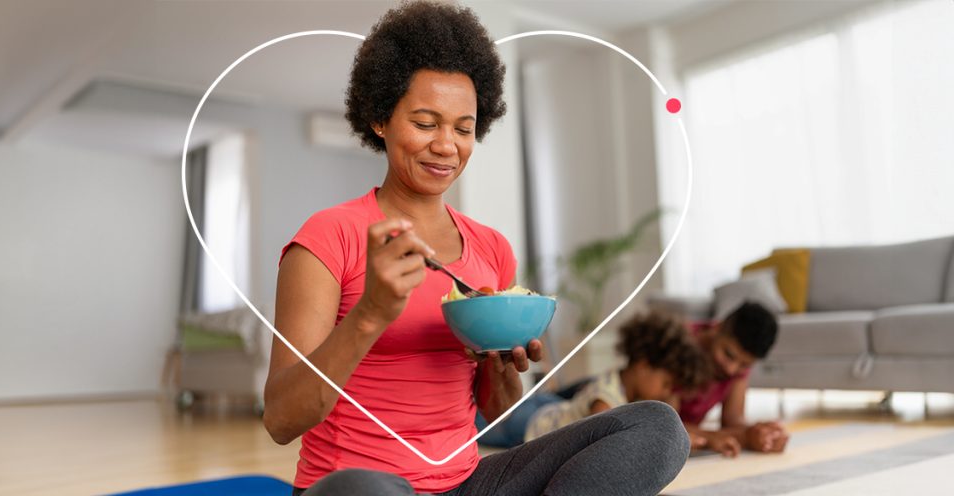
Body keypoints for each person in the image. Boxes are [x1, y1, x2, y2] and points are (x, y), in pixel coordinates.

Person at [262, 2, 689, 495]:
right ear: (380, 119)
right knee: (365, 490)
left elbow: (496, 409)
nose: (447, 145)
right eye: (426, 123)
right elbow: (280, 419)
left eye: (463, 128)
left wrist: (501, 361)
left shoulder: (490, 247)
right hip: (359, 487)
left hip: (466, 484)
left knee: (656, 427)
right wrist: (370, 315)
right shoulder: (327, 237)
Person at [477, 310, 712, 448]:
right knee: (477, 425)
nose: (667, 393)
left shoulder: (622, 386)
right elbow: (605, 442)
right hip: (528, 427)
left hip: (556, 408)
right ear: (644, 366)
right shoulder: (605, 398)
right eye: (667, 384)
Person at [671, 301, 789, 457]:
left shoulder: (736, 368)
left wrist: (756, 434)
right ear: (717, 327)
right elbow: (662, 425)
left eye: (744, 365)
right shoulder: (679, 345)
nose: (731, 369)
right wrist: (711, 437)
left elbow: (732, 421)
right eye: (728, 354)